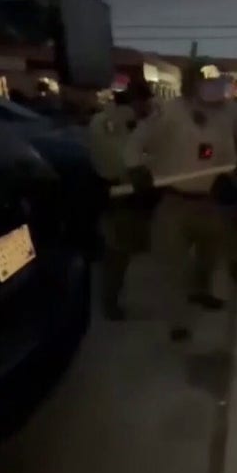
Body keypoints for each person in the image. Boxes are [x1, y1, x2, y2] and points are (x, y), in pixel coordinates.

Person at [126, 58, 237, 341]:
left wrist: (235, 168)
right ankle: (178, 320)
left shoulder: (223, 117)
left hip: (209, 201)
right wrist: (136, 169)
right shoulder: (167, 112)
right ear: (192, 83)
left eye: (215, 81)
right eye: (207, 81)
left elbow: (227, 156)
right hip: (174, 202)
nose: (214, 87)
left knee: (210, 256)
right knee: (174, 265)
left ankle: (202, 291)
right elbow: (136, 143)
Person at [87, 80, 156, 320]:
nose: (148, 106)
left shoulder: (115, 120)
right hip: (119, 192)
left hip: (123, 191)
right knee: (117, 252)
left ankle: (111, 298)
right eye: (146, 102)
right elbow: (118, 158)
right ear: (137, 101)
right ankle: (110, 302)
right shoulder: (116, 122)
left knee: (123, 248)